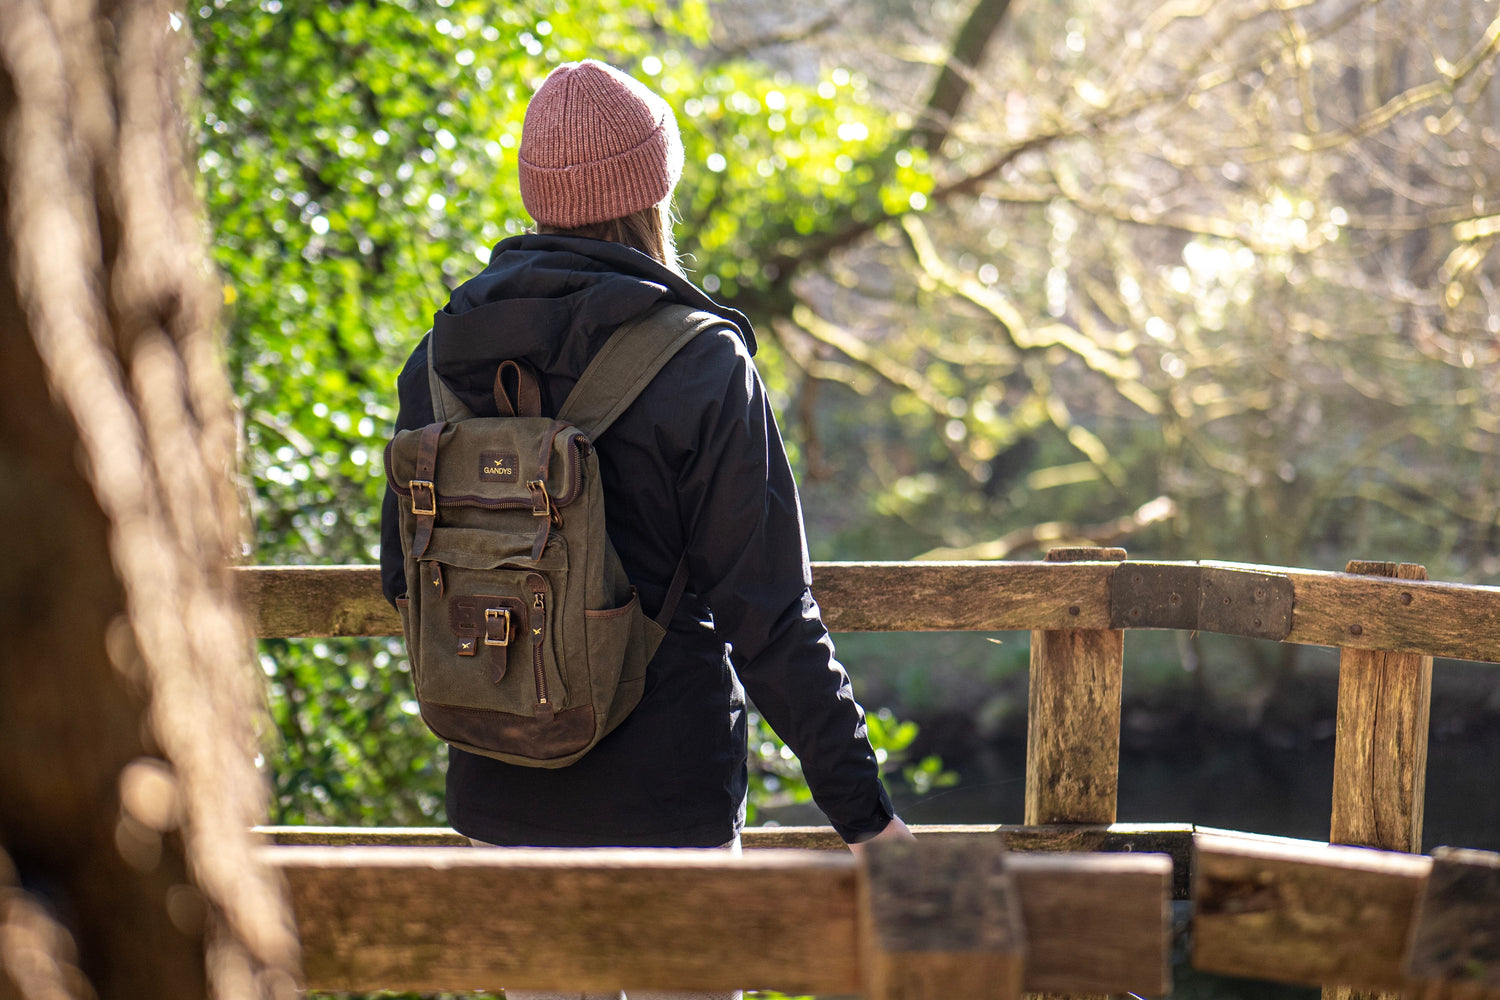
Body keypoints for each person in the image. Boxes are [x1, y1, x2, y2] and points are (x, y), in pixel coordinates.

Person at [379, 59, 912, 867]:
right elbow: (768, 616)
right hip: (670, 811)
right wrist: (866, 817)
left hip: (498, 808)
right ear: (653, 190)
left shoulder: (438, 360)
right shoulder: (701, 361)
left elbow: (402, 578)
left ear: (536, 195)